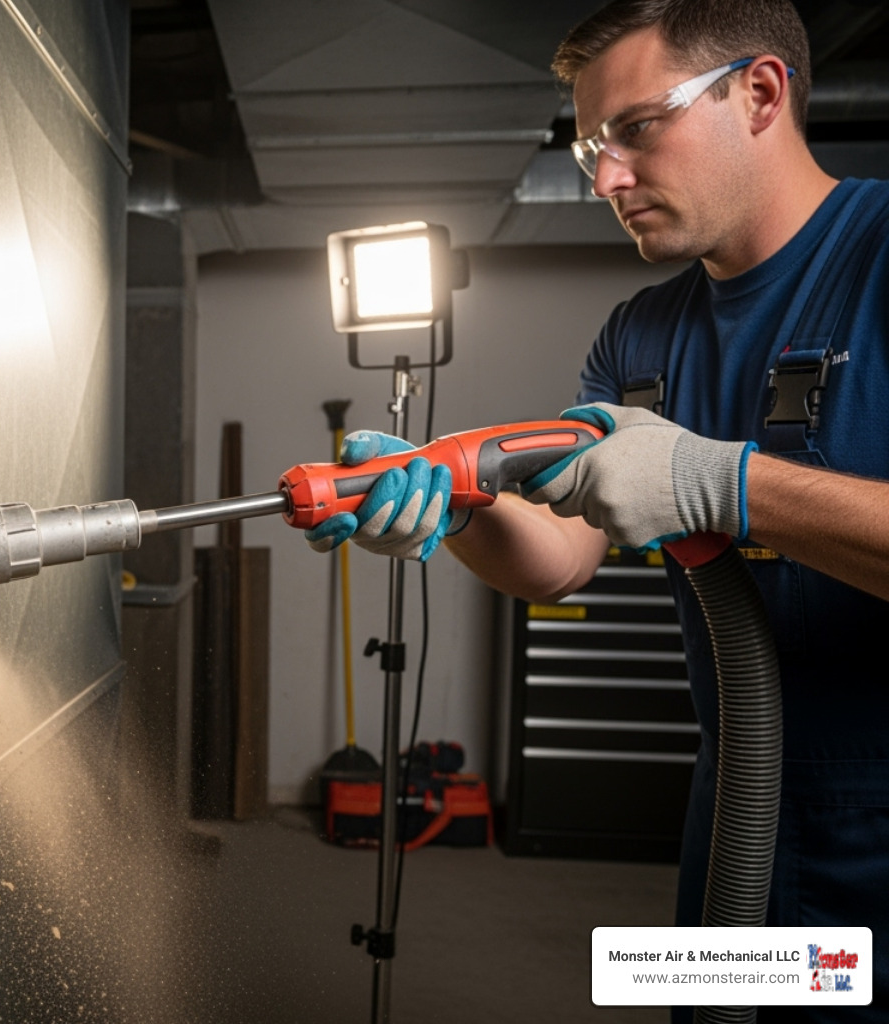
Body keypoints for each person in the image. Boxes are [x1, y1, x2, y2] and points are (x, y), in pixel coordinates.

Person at [310, 0, 889, 1018]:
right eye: (587, 147)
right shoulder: (642, 332)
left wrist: (727, 483)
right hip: (737, 820)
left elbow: (705, 487)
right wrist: (454, 505)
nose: (606, 178)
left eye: (635, 129)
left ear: (759, 93)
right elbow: (562, 557)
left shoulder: (880, 261)